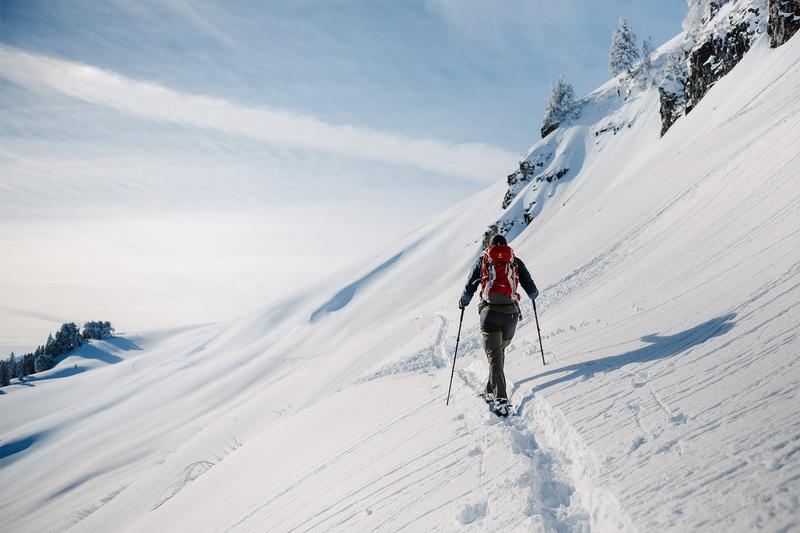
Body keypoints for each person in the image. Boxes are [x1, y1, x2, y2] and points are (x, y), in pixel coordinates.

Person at [459, 234, 539, 417]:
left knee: (495, 357)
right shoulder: (515, 261)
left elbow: (469, 286)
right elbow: (532, 289)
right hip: (511, 315)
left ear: (490, 245)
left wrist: (463, 302)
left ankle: (501, 400)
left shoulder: (484, 260)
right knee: (498, 354)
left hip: (489, 314)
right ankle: (489, 391)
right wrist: (532, 295)